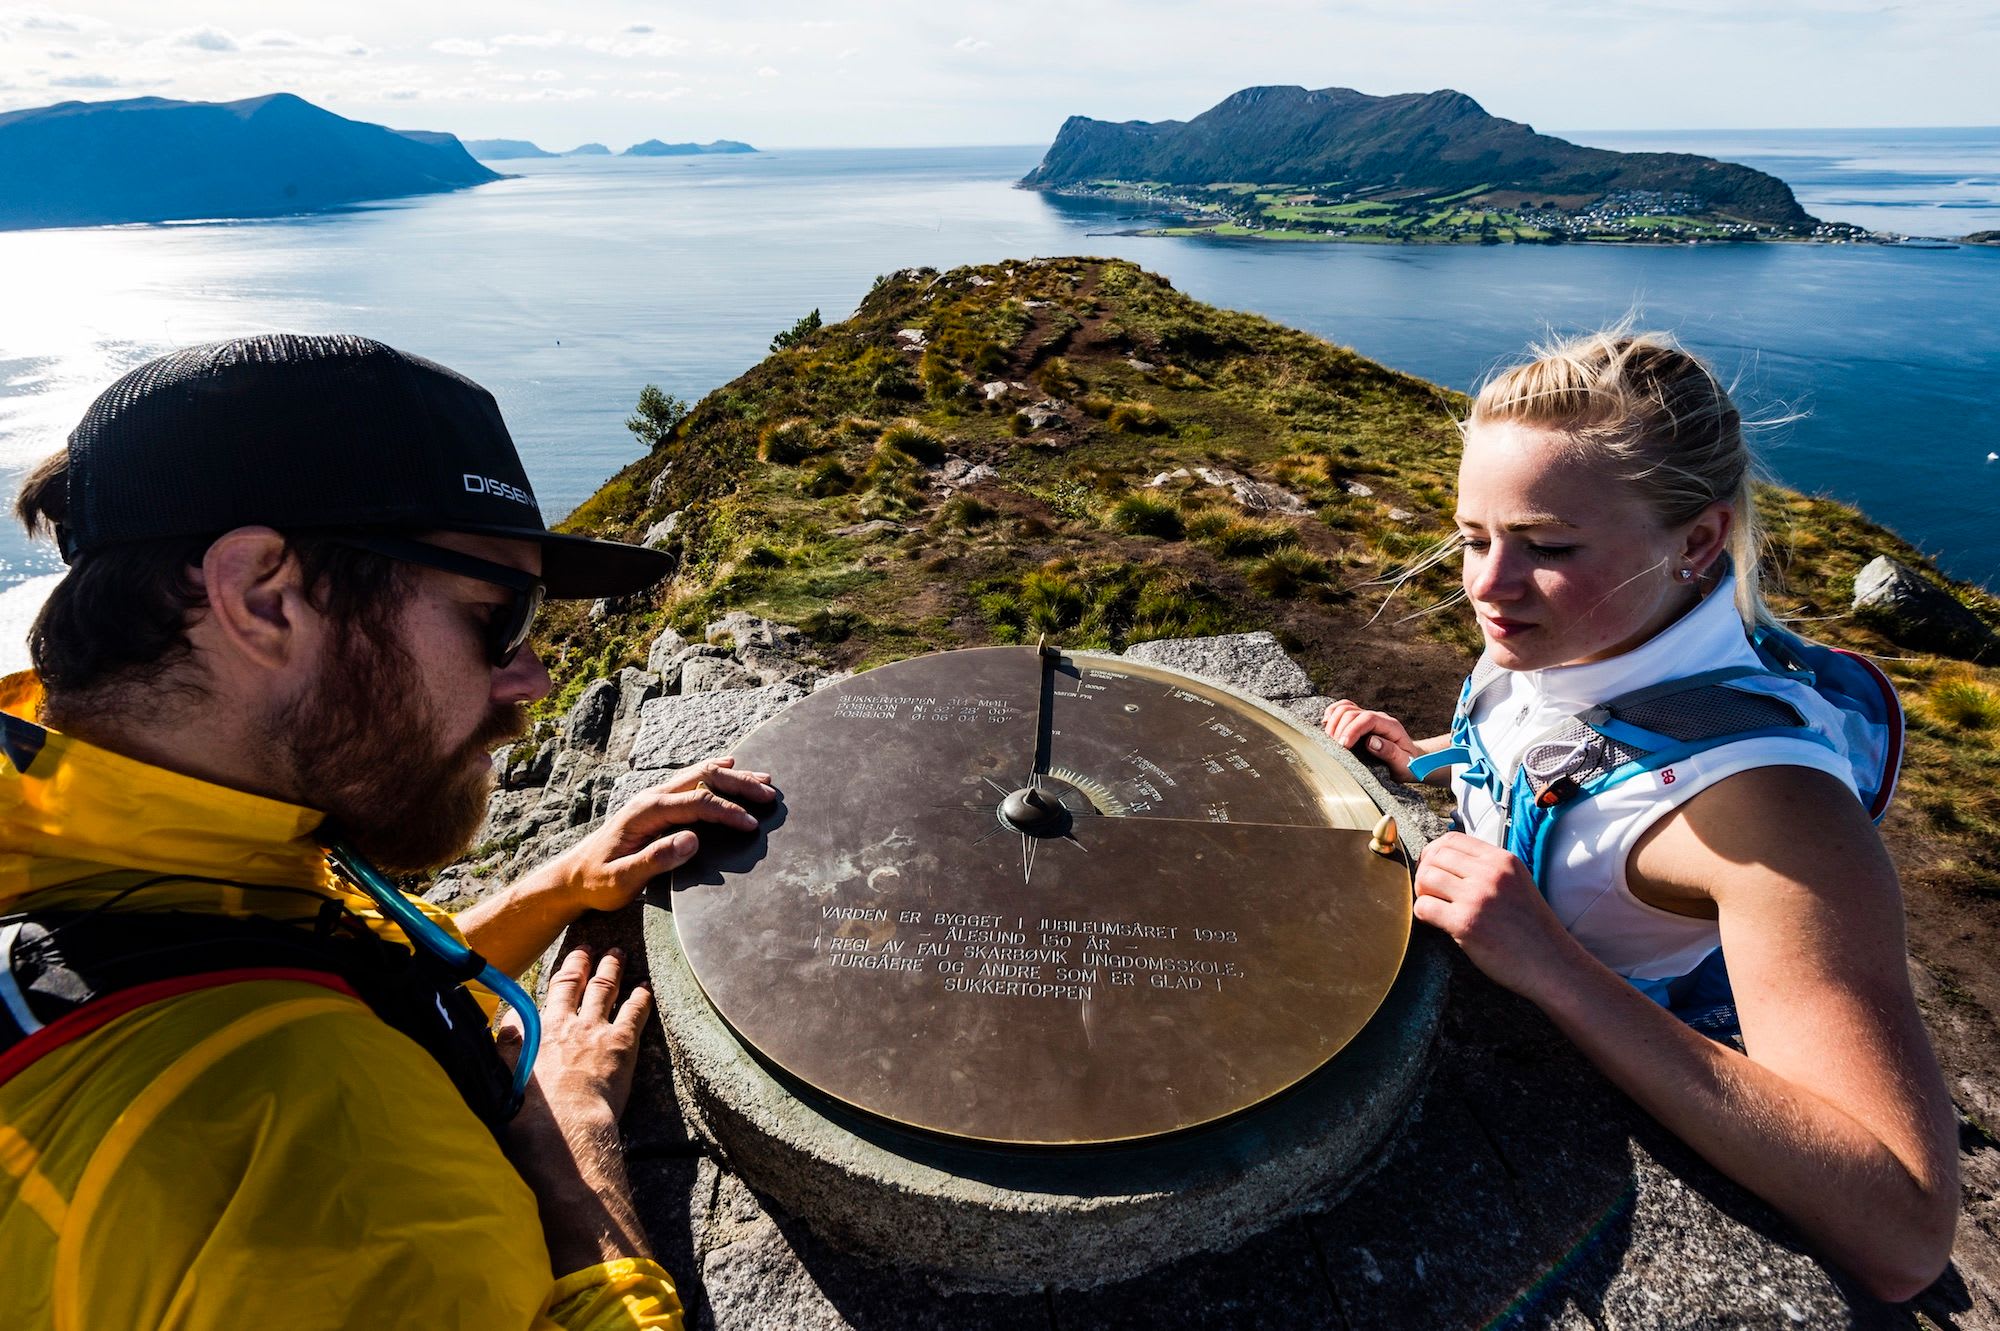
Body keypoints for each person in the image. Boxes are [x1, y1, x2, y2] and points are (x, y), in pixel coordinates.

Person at [0, 334, 774, 1329]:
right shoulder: (335, 1167)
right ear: (263, 597)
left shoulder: (117, 848)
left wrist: (559, 887)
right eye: (497, 615)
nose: (533, 676)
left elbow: (279, 958)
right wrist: (573, 1146)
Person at [1322, 331, 1958, 1302]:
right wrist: (1424, 759)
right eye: (1473, 537)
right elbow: (1560, 763)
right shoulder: (1570, 632)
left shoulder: (1774, 815)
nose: (1486, 585)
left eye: (1547, 546)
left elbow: (1904, 1231)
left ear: (1697, 542)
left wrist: (1548, 962)